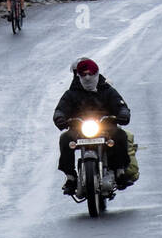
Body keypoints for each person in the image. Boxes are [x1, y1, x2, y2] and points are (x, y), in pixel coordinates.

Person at [53, 57, 132, 196]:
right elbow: (61, 108)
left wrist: (123, 114)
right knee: (65, 139)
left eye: (91, 74)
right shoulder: (71, 93)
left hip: (106, 128)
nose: (88, 77)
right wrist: (60, 118)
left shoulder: (107, 90)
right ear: (79, 76)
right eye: (84, 74)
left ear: (97, 73)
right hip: (79, 129)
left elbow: (121, 105)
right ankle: (70, 177)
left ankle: (120, 171)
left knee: (120, 135)